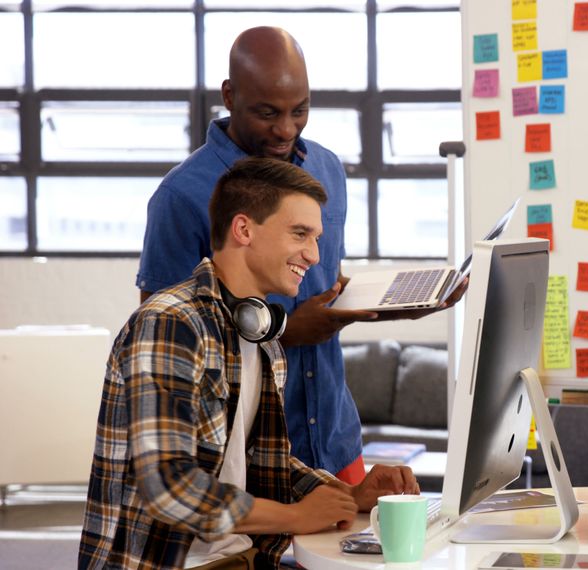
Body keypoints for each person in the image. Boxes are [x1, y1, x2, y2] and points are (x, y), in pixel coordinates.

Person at [136, 26, 462, 485]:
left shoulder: (326, 168)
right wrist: (286, 332)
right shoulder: (181, 197)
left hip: (334, 435)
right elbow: (164, 343)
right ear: (229, 96)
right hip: (246, 454)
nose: (285, 129)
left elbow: (325, 281)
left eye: (300, 110)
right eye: (267, 112)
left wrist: (384, 306)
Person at [80, 158, 420, 570]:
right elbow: (170, 488)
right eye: (300, 234)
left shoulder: (259, 331)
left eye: (316, 238)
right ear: (244, 229)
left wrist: (350, 495)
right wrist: (295, 517)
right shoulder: (172, 323)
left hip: (241, 557)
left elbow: (258, 459)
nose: (314, 255)